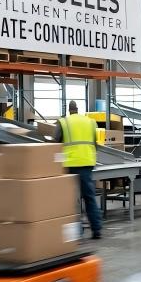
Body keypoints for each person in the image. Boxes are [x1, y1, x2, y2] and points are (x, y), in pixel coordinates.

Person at [54, 101, 102, 239]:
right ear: (77, 109)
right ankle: (96, 229)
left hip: (70, 164)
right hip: (87, 162)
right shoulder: (90, 122)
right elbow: (95, 143)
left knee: (72, 199)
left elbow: (54, 143)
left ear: (69, 110)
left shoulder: (63, 122)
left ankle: (77, 232)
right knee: (89, 197)